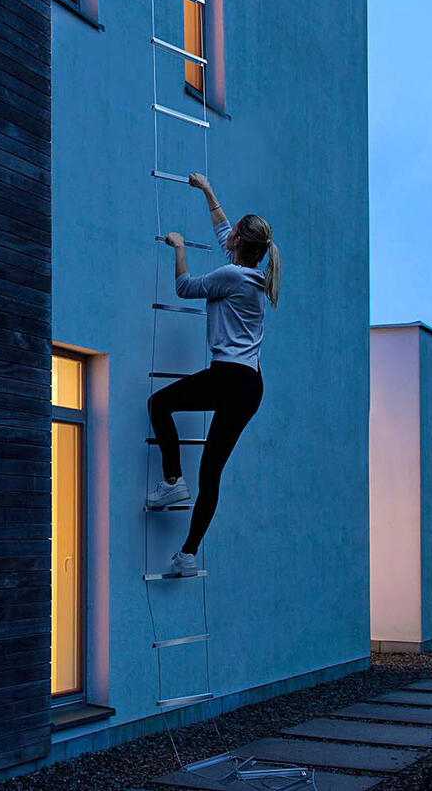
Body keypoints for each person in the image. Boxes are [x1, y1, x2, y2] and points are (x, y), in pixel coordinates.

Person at [146, 172, 282, 576]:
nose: (229, 233)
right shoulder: (254, 274)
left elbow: (185, 287)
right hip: (250, 385)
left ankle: (172, 478)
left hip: (229, 378)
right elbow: (225, 229)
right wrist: (207, 190)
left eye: (235, 232)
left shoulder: (232, 276)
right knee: (212, 472)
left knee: (158, 404)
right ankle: (187, 554)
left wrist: (179, 247)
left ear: (241, 244)